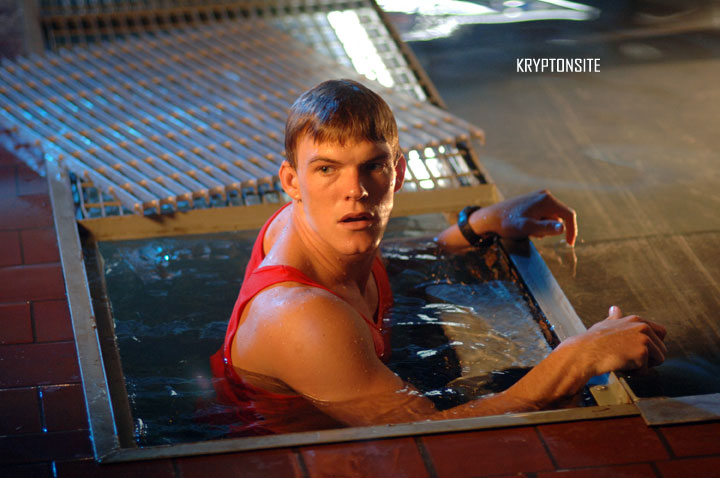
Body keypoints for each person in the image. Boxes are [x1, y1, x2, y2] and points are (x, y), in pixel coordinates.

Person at [210, 79, 667, 435]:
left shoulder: (313, 223)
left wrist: (473, 227)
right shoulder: (302, 318)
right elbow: (429, 434)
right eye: (327, 169)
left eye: (373, 166)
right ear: (292, 182)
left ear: (398, 172)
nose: (355, 191)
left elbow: (381, 262)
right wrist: (578, 357)